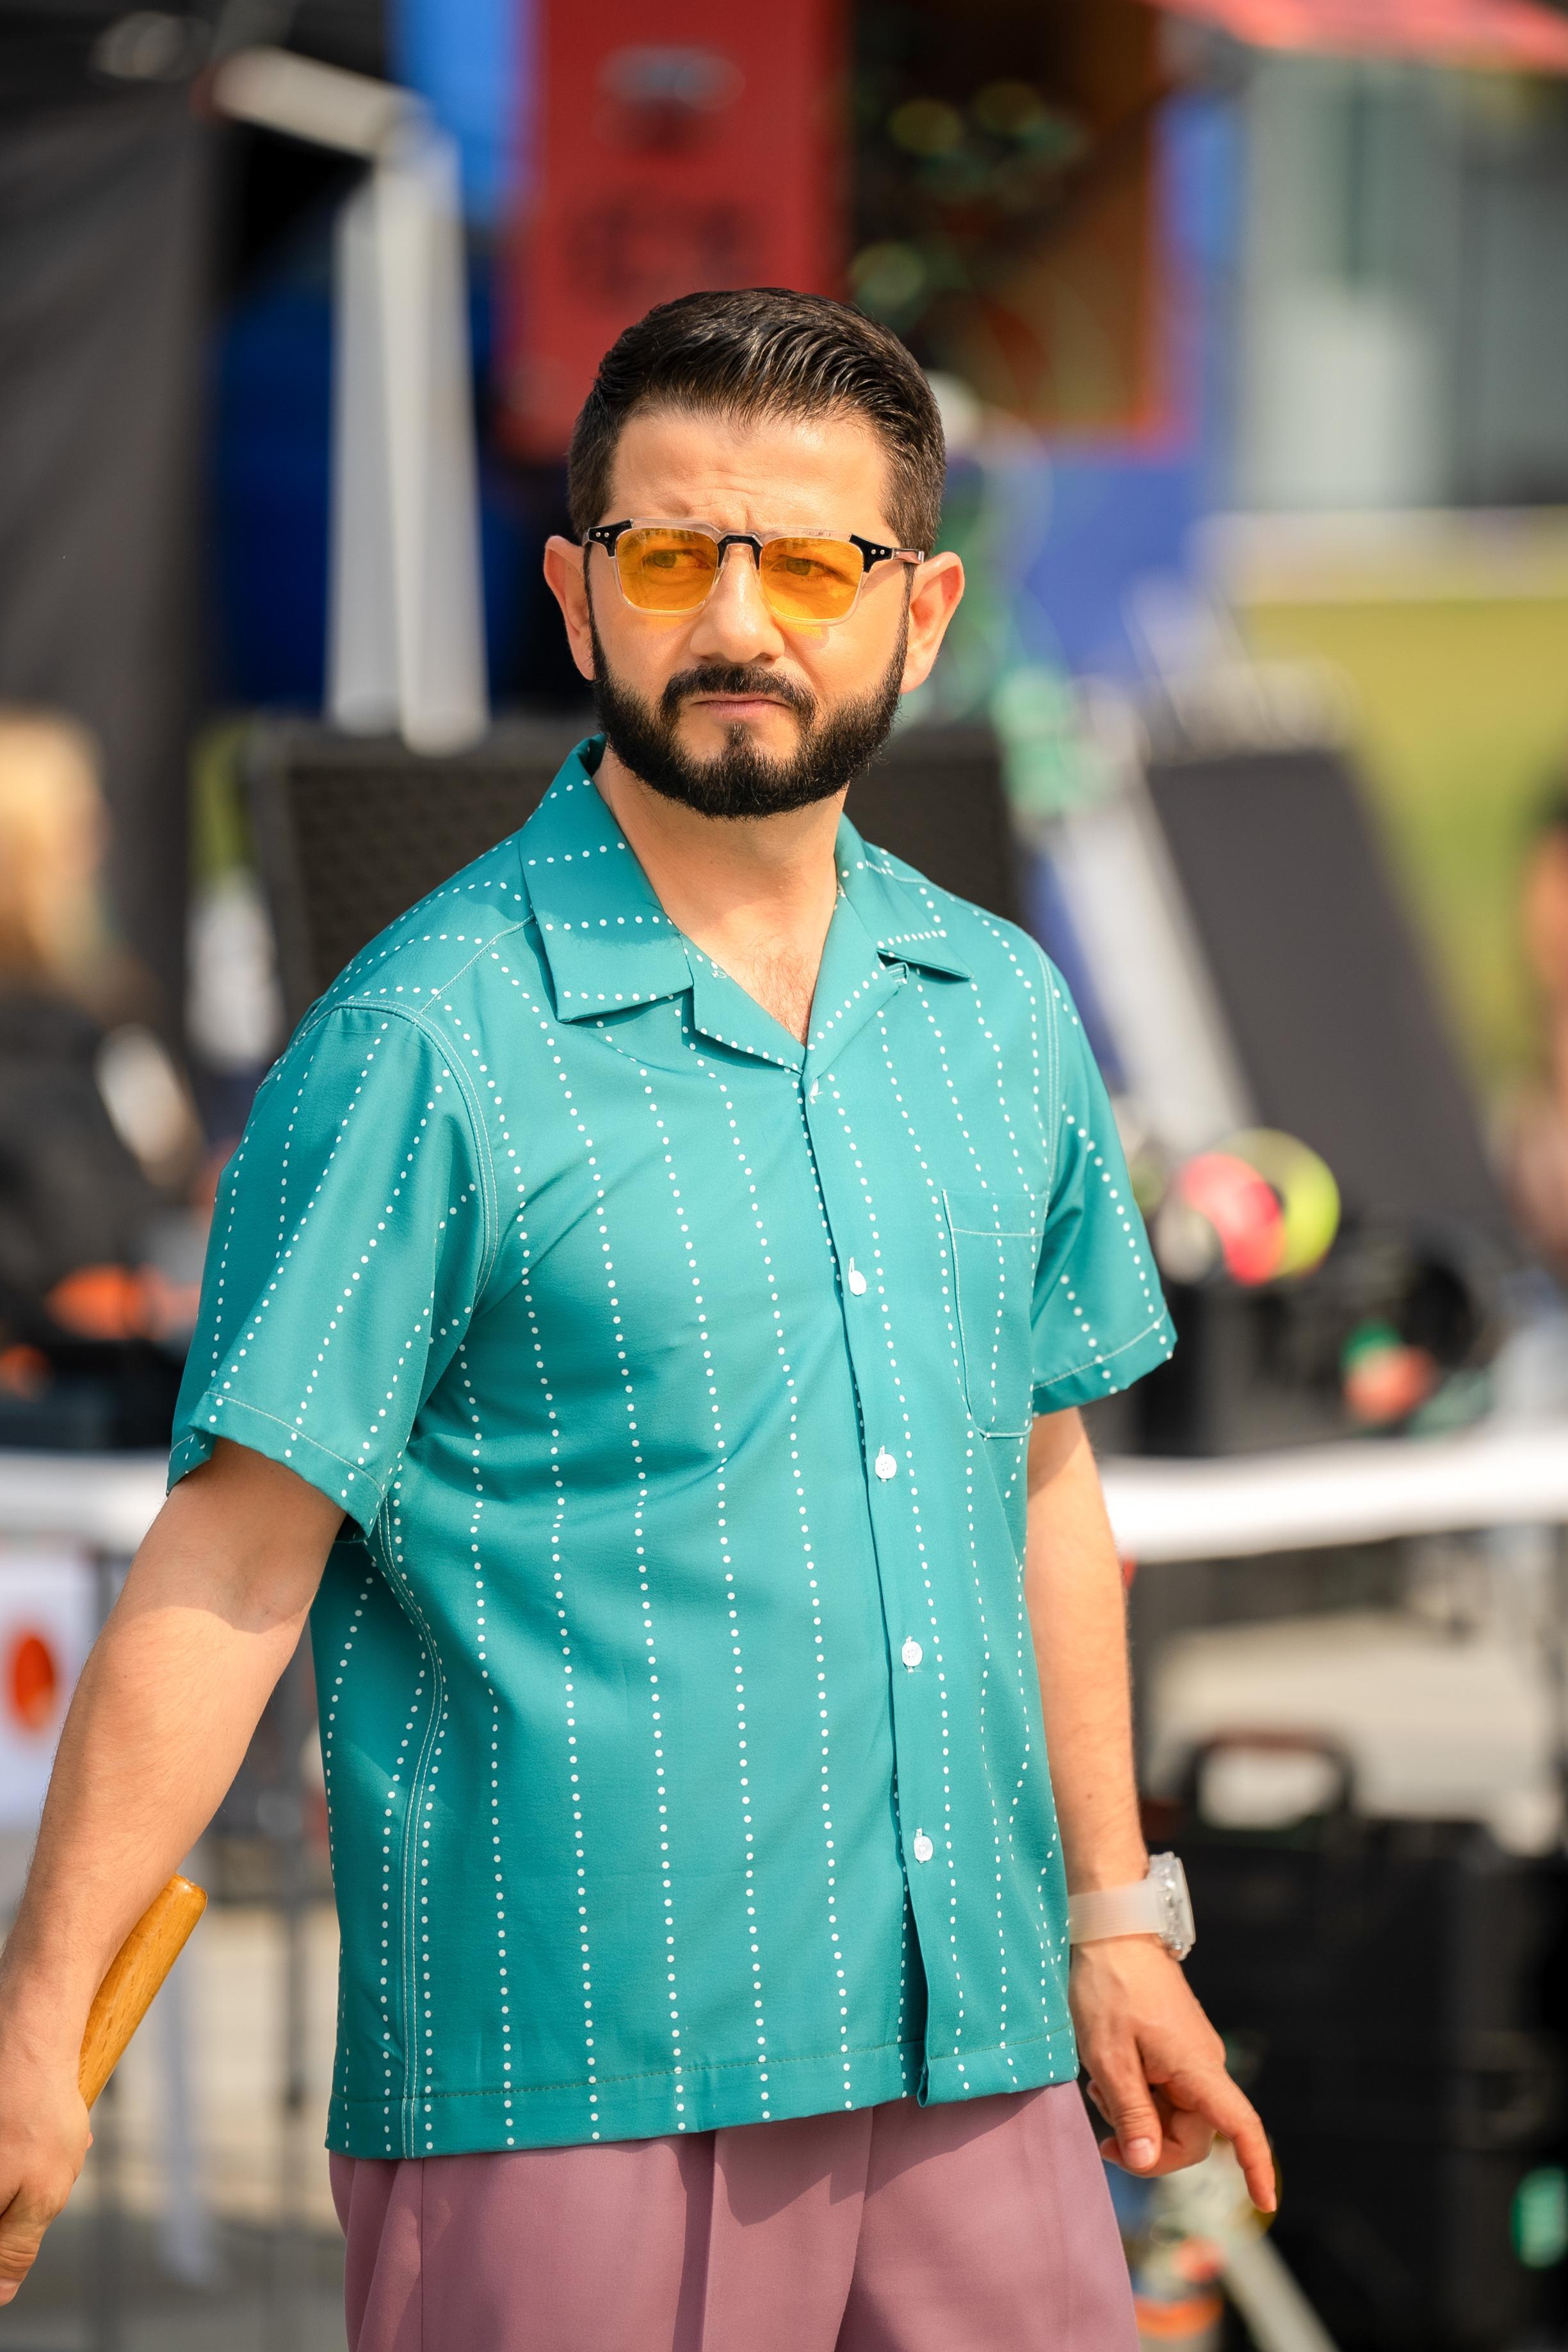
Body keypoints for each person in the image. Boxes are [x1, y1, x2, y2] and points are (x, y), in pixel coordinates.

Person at [0, 290, 1270, 2349]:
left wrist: (1118, 1918)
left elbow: (1038, 1485)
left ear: (923, 610)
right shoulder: (423, 1038)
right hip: (576, 2083)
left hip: (979, 2052)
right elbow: (231, 1560)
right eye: (672, 555)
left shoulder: (1002, 1010)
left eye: (810, 564)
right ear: (575, 592)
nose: (736, 622)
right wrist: (40, 2017)